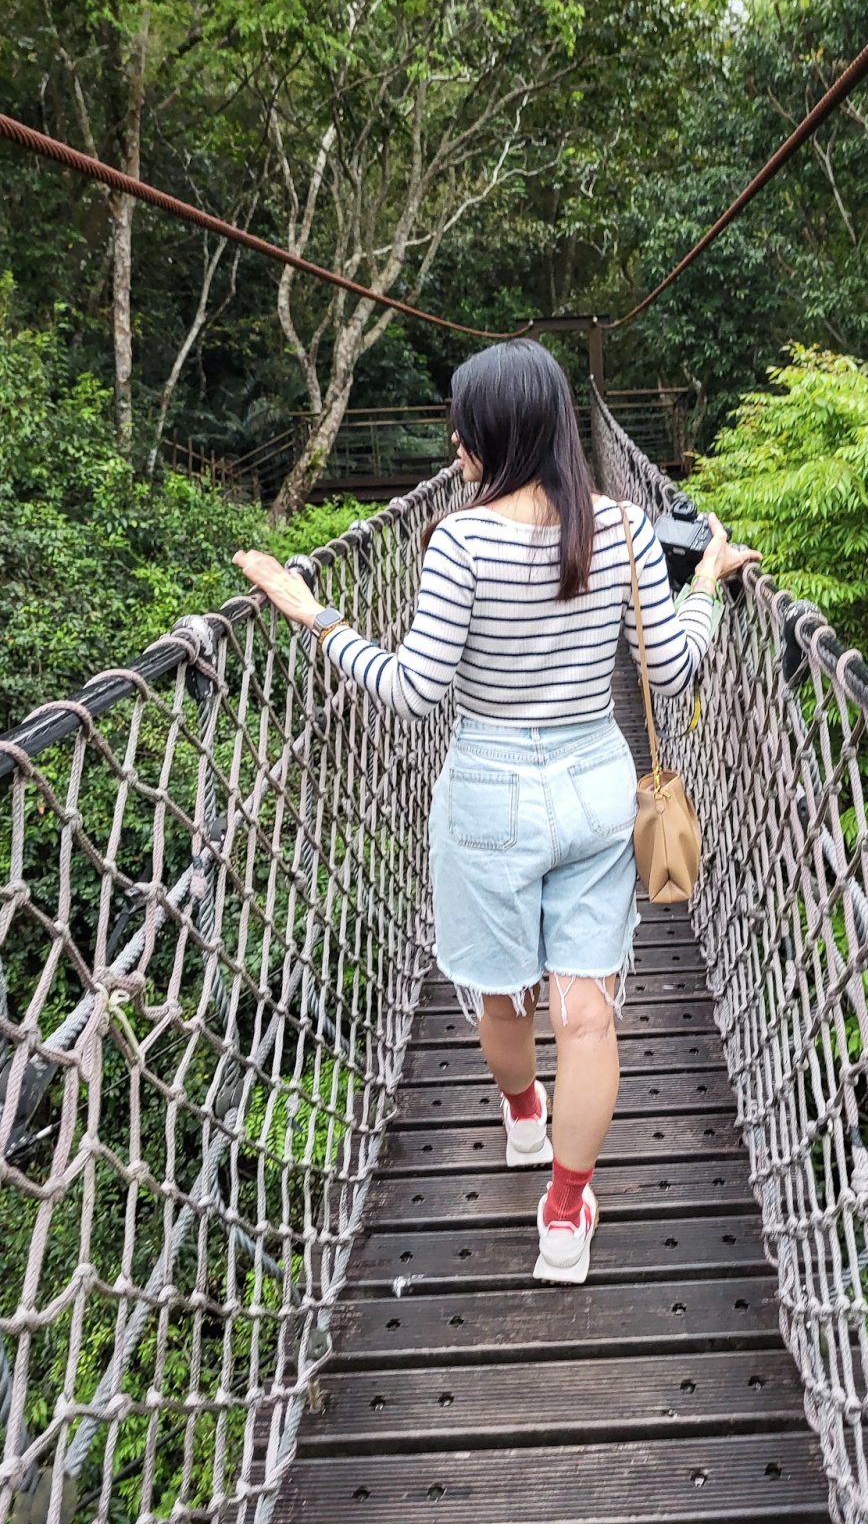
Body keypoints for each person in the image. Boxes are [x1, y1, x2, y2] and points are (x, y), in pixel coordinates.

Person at [234, 339, 761, 1284]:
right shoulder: (624, 527)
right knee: (587, 1016)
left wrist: (312, 615)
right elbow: (669, 669)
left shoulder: (458, 540)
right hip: (598, 788)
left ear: (487, 436)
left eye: (460, 427)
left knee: (500, 992)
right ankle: (565, 1217)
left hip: (484, 795)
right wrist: (708, 588)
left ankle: (523, 1119)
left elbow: (412, 691)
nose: (450, 441)